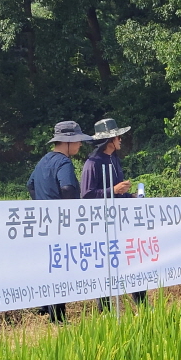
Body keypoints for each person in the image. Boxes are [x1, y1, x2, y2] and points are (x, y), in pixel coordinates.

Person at [28, 120, 94, 323]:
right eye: (78, 141)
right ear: (67, 141)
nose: (80, 145)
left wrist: (43, 203)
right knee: (60, 267)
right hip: (61, 223)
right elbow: (67, 188)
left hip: (44, 222)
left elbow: (30, 185)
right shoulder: (64, 162)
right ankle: (58, 317)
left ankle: (46, 307)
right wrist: (72, 209)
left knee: (49, 265)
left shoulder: (43, 161)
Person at [82, 118, 147, 309]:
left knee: (134, 259)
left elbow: (116, 192)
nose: (121, 140)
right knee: (105, 266)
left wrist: (129, 195)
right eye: (118, 136)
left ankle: (141, 302)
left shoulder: (114, 159)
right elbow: (87, 196)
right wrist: (113, 190)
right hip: (103, 223)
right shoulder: (92, 163)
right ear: (109, 140)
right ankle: (105, 307)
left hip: (121, 220)